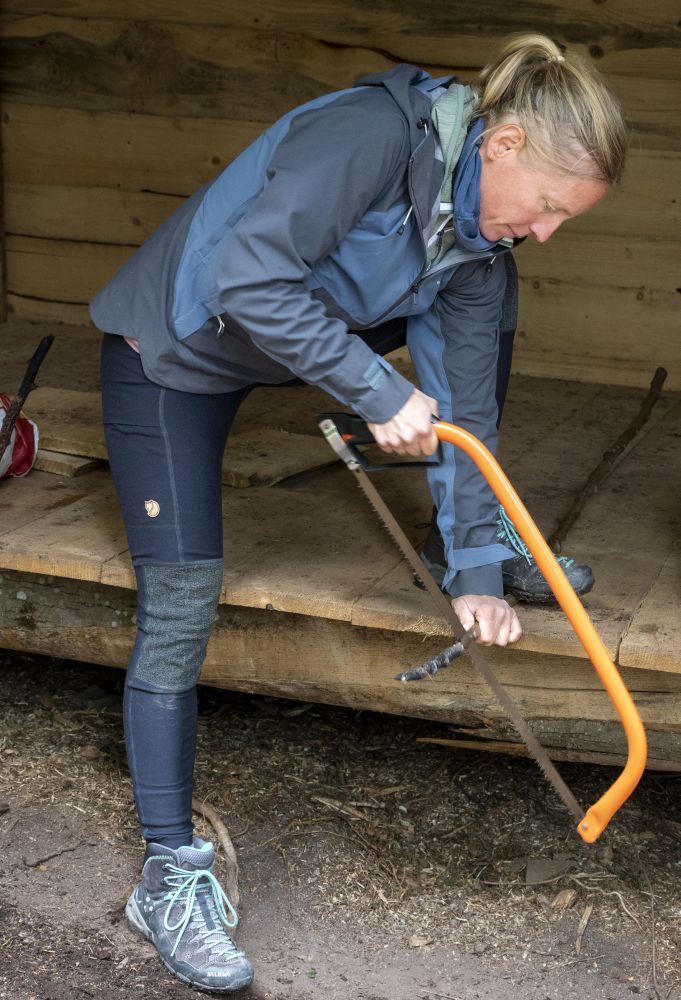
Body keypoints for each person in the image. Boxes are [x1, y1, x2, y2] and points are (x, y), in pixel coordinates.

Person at [90, 32, 626, 994]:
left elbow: (466, 413)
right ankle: (169, 872)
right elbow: (245, 279)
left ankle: (463, 538)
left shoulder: (478, 244)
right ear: (500, 145)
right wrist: (374, 390)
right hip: (173, 349)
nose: (545, 232)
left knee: (491, 310)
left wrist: (468, 567)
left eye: (563, 221)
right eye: (546, 207)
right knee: (180, 603)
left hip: (281, 343)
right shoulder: (369, 137)